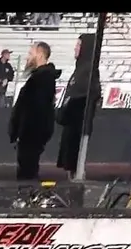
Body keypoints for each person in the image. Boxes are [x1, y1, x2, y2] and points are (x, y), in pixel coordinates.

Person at [9, 41, 59, 180]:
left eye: (31, 53)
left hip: (31, 135)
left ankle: (28, 192)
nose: (27, 57)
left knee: (27, 173)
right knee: (26, 170)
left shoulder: (43, 79)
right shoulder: (39, 78)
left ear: (40, 55)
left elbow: (36, 110)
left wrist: (23, 131)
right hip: (29, 135)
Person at [56, 33, 99, 178]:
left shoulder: (89, 70)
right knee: (70, 163)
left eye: (79, 45)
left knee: (74, 163)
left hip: (77, 126)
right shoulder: (80, 69)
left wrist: (68, 109)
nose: (75, 48)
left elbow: (89, 97)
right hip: (72, 124)